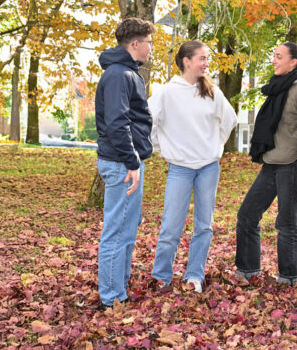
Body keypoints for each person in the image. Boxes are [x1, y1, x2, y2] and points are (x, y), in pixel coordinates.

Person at [149, 41, 237, 293]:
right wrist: (161, 146)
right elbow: (149, 121)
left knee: (204, 225)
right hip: (180, 168)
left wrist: (215, 146)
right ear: (186, 61)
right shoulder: (167, 92)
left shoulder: (212, 92)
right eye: (202, 58)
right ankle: (162, 277)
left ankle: (195, 275)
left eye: (207, 58)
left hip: (208, 167)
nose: (206, 63)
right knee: (171, 225)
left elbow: (228, 121)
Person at [235, 42, 297, 285]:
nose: (274, 60)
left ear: (294, 62)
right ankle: (248, 271)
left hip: (291, 163)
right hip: (272, 160)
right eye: (273, 55)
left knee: (286, 222)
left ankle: (288, 277)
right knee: (247, 215)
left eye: (279, 56)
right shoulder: (278, 88)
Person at [94, 17, 156, 309]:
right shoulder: (119, 74)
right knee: (116, 232)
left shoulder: (127, 72)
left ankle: (119, 290)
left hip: (129, 162)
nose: (151, 47)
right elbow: (117, 123)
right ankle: (110, 298)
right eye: (149, 42)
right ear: (135, 43)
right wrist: (132, 162)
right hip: (122, 163)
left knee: (127, 230)